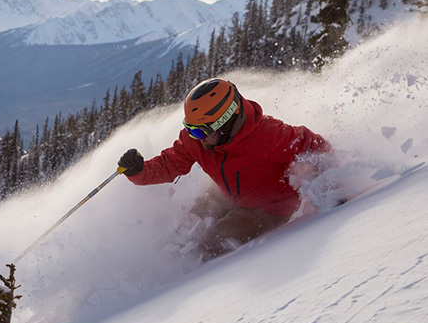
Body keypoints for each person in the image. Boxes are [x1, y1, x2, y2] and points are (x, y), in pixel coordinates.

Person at [118, 78, 333, 262]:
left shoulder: (269, 136)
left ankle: (186, 283)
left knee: (211, 244)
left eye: (201, 131)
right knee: (183, 230)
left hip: (268, 208)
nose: (194, 136)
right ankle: (162, 265)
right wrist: (138, 171)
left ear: (225, 122)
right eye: (190, 129)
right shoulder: (196, 139)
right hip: (224, 194)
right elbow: (169, 164)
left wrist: (332, 187)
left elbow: (316, 147)